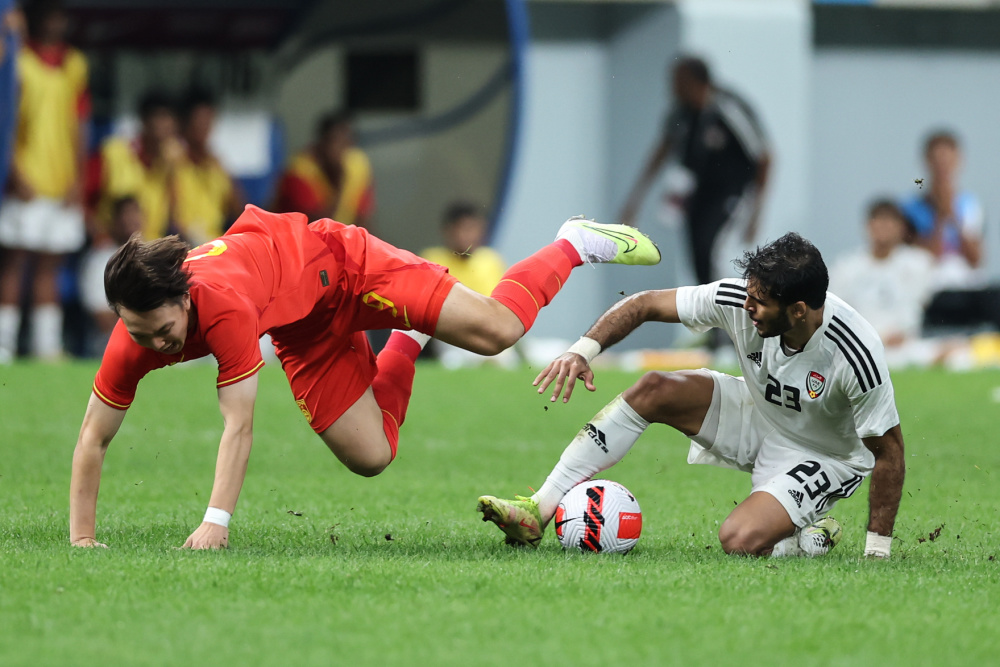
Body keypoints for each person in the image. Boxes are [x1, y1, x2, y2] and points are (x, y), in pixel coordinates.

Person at [69, 206, 661, 549]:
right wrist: (82, 541)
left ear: (184, 296)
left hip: (347, 266)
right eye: (141, 334)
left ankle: (574, 242)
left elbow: (239, 425)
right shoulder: (133, 338)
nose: (156, 344)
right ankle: (409, 337)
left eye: (163, 329)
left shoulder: (220, 308)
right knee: (371, 455)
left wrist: (214, 524)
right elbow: (93, 436)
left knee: (498, 331)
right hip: (300, 327)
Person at [478, 233, 905, 559]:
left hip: (825, 454)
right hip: (760, 412)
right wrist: (582, 351)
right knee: (654, 388)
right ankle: (540, 507)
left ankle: (807, 537)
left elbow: (888, 453)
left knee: (738, 540)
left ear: (797, 310)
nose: (747, 307)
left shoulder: (854, 351)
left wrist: (876, 552)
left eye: (759, 302)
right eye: (748, 294)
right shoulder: (740, 299)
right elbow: (644, 304)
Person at [620, 56, 771, 286]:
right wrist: (634, 201)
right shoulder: (681, 115)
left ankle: (732, 311)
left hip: (731, 194)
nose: (672, 88)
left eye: (678, 81)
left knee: (715, 252)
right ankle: (712, 316)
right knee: (698, 258)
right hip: (697, 196)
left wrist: (757, 212)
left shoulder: (728, 108)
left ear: (695, 82)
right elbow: (661, 153)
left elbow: (764, 156)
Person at [0, 0, 89, 362]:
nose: (56, 20)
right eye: (50, 13)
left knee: (51, 265)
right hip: (26, 178)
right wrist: (13, 170)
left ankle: (46, 347)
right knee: (15, 262)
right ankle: (4, 345)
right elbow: (7, 118)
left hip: (61, 180)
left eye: (61, 14)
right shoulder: (18, 61)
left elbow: (80, 124)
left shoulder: (75, 65)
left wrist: (79, 178)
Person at [901, 130, 1000, 333]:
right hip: (932, 290)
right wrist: (940, 216)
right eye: (937, 161)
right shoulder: (911, 208)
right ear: (927, 162)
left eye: (948, 160)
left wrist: (953, 215)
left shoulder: (971, 205)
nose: (942, 168)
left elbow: (975, 259)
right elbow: (925, 258)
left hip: (969, 288)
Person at [829, 200, 943, 368]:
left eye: (889, 222)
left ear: (901, 228)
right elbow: (834, 314)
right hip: (860, 347)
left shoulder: (919, 264)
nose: (883, 228)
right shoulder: (846, 268)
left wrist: (901, 332)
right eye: (878, 222)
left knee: (959, 355)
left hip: (905, 345)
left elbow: (919, 305)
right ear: (868, 226)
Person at [421, 200, 513, 368]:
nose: (471, 236)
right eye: (465, 229)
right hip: (451, 337)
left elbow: (502, 307)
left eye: (475, 229)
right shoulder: (432, 259)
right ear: (448, 231)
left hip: (490, 332)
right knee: (453, 362)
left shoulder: (491, 260)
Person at [86, 90, 183, 241]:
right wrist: (99, 236)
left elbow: (175, 220)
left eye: (171, 119)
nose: (166, 125)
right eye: (161, 117)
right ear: (144, 120)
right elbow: (82, 201)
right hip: (114, 249)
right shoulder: (112, 153)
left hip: (152, 252)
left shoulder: (170, 166)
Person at [272, 110, 374, 230]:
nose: (341, 150)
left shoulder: (357, 164)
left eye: (346, 142)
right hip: (294, 240)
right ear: (322, 141)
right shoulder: (299, 171)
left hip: (341, 241)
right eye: (336, 141)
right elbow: (315, 229)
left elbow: (362, 218)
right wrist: (339, 184)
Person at [173, 88, 242, 246]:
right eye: (199, 121)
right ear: (185, 123)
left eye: (209, 121)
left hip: (215, 244)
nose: (205, 128)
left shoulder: (216, 165)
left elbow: (238, 210)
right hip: (182, 243)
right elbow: (171, 216)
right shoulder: (172, 161)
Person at [77, 195, 143, 354]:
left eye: (135, 214)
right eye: (125, 215)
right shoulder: (100, 259)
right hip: (110, 341)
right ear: (114, 221)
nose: (130, 220)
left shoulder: (154, 254)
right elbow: (101, 316)